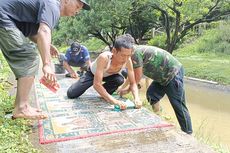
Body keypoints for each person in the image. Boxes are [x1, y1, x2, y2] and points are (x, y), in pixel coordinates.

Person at [0, 0, 90, 120]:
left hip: (6, 17)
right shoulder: (53, 5)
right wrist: (47, 64)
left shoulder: (49, 8)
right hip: (3, 16)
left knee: (29, 54)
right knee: (29, 56)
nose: (78, 11)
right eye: (77, 6)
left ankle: (21, 106)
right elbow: (44, 31)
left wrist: (47, 45)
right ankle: (22, 108)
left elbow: (33, 33)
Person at [118, 45, 193, 134]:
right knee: (151, 95)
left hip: (173, 73)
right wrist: (122, 87)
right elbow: (132, 74)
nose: (123, 57)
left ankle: (188, 133)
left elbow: (137, 77)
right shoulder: (132, 54)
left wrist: (127, 90)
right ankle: (159, 117)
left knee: (178, 105)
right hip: (162, 76)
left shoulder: (135, 54)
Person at [67, 34, 141, 109]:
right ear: (114, 51)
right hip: (93, 74)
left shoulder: (128, 60)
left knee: (119, 79)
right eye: (122, 55)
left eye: (128, 55)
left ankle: (104, 93)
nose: (125, 59)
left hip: (110, 76)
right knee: (71, 94)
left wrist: (137, 99)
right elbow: (97, 84)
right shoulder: (104, 58)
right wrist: (115, 101)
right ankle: (99, 90)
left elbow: (133, 83)